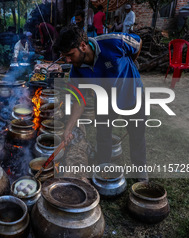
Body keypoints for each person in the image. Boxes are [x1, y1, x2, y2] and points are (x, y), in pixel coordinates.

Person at [54, 24, 147, 181]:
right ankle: (104, 169)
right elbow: (79, 100)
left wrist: (129, 65)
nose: (68, 60)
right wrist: (68, 129)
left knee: (137, 135)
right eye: (64, 56)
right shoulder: (76, 71)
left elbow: (138, 44)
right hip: (104, 101)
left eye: (70, 54)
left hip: (132, 95)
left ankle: (140, 172)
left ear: (83, 46)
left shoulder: (114, 42)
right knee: (103, 135)